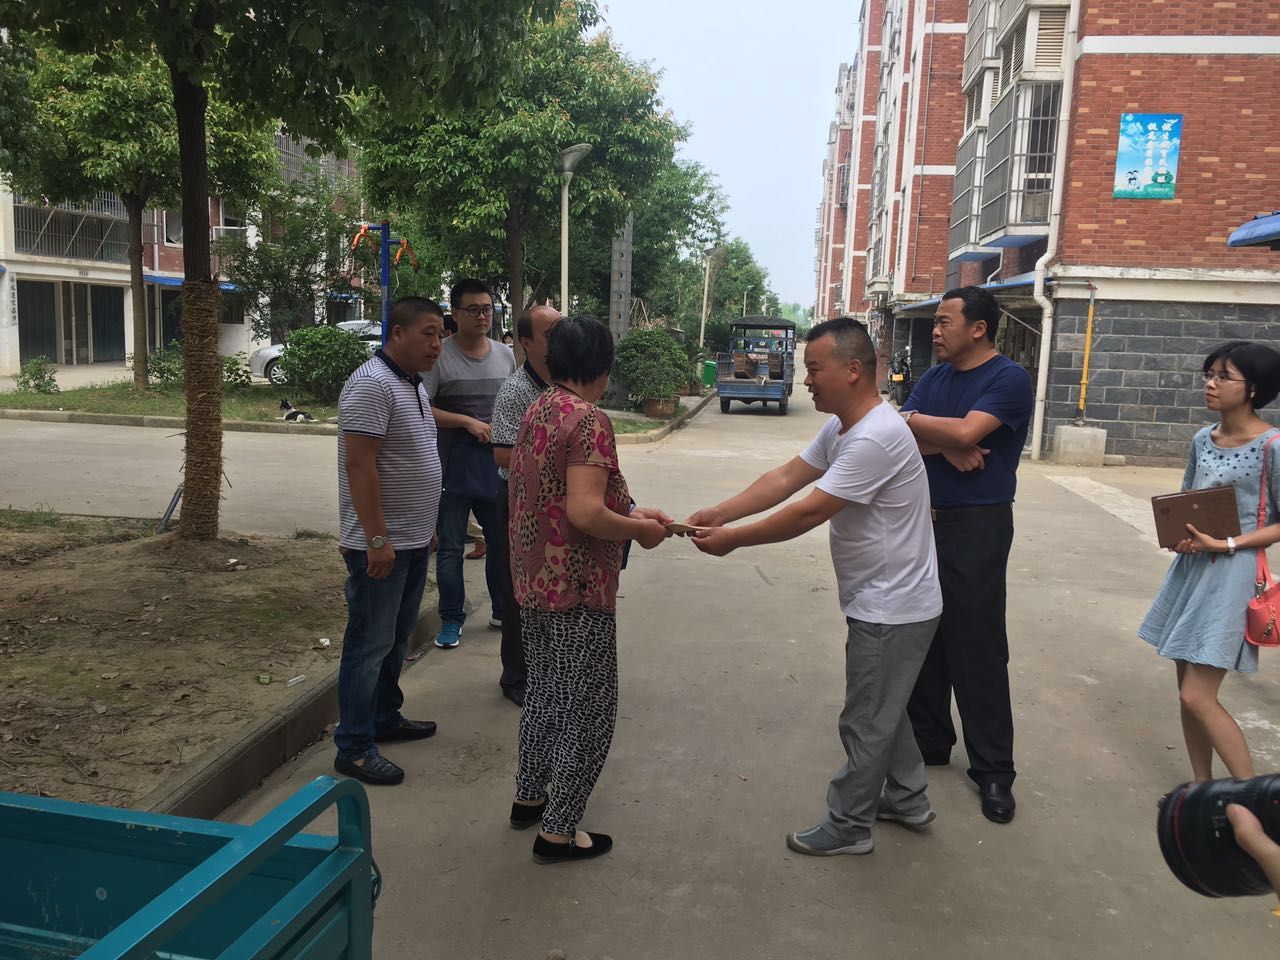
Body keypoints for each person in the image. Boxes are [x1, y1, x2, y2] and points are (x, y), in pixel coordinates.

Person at [689, 317, 942, 857]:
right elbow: (786, 477)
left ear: (852, 370)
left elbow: (808, 512)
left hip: (892, 606)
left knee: (866, 718)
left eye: (813, 369)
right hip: (886, 598)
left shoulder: (875, 437)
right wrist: (721, 512)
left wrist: (733, 540)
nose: (806, 380)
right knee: (884, 707)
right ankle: (907, 798)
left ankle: (850, 825)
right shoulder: (846, 427)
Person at [507, 315, 673, 864]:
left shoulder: (539, 408)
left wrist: (632, 512)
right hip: (576, 589)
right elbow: (583, 512)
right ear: (603, 368)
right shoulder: (588, 419)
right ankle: (558, 832)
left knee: (545, 692)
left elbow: (564, 494)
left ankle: (530, 796)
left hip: (533, 580)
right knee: (588, 708)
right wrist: (638, 531)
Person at [899, 285, 1033, 824]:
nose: (935, 331)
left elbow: (969, 430)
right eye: (934, 321)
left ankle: (994, 771)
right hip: (922, 524)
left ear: (978, 328)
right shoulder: (935, 378)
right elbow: (895, 433)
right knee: (923, 634)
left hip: (977, 526)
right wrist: (946, 443)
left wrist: (937, 432)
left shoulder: (1007, 378)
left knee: (977, 646)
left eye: (944, 322)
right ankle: (930, 739)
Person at [1138, 341, 1280, 782]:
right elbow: (1188, 499)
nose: (1211, 384)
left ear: (1254, 388)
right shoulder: (1203, 439)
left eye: (1223, 376)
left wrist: (1229, 543)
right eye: (1209, 374)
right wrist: (1180, 535)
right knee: (1186, 689)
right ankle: (1202, 789)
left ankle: (1254, 800)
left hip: (1234, 572)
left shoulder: (1273, 446)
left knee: (1197, 696)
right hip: (1193, 568)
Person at [333, 297, 446, 787]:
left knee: (396, 638)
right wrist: (377, 538)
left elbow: (411, 460)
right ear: (397, 333)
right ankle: (354, 747)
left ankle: (383, 716)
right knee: (368, 645)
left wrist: (427, 526)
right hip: (380, 546)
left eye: (440, 334)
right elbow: (360, 466)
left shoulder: (411, 384)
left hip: (413, 539)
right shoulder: (371, 384)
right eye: (428, 333)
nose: (437, 344)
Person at [426, 278, 516, 649]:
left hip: (495, 463)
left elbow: (512, 403)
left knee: (500, 542)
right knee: (450, 547)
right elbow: (423, 408)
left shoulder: (505, 355)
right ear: (455, 313)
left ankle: (502, 610)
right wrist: (466, 422)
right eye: (474, 310)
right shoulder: (439, 356)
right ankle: (451, 618)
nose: (482, 317)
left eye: (487, 310)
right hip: (451, 464)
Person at [490, 304, 561, 707]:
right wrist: (558, 458)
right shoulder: (516, 391)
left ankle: (545, 668)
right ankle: (515, 676)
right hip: (519, 502)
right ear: (526, 343)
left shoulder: (564, 383)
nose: (558, 340)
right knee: (519, 589)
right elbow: (502, 453)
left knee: (548, 588)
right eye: (550, 334)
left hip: (554, 502)